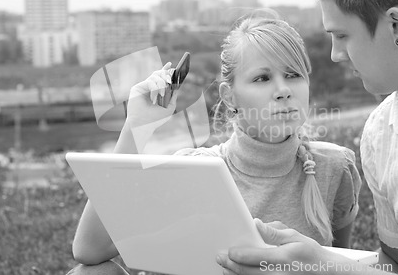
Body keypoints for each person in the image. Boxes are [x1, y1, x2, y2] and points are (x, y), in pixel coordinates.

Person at [216, 0, 398, 274]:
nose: (335, 54)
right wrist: (319, 264)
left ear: (397, 27)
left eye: (342, 35)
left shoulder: (336, 165)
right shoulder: (381, 134)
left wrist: (322, 267)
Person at [67, 17, 362, 274]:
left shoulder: (334, 167)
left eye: (293, 75)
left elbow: (340, 264)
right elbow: (89, 251)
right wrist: (136, 126)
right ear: (229, 96)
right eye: (262, 78)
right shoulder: (193, 170)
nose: (283, 90)